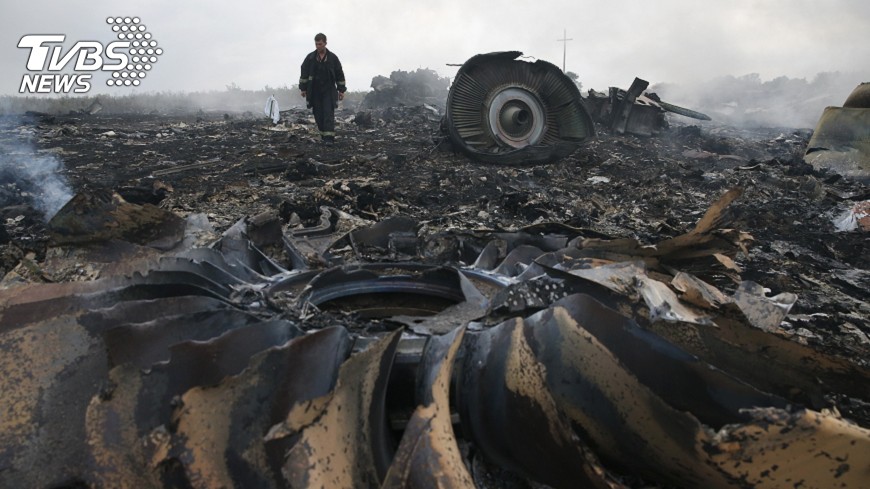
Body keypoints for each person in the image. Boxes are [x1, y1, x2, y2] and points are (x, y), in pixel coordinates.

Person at [299, 33, 346, 145]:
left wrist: (341, 90)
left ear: (325, 43)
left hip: (328, 90)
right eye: (316, 44)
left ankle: (329, 139)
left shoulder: (333, 58)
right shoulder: (310, 58)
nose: (318, 46)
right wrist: (303, 89)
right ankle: (323, 135)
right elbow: (304, 73)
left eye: (320, 44)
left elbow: (339, 74)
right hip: (314, 91)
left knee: (328, 113)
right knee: (318, 114)